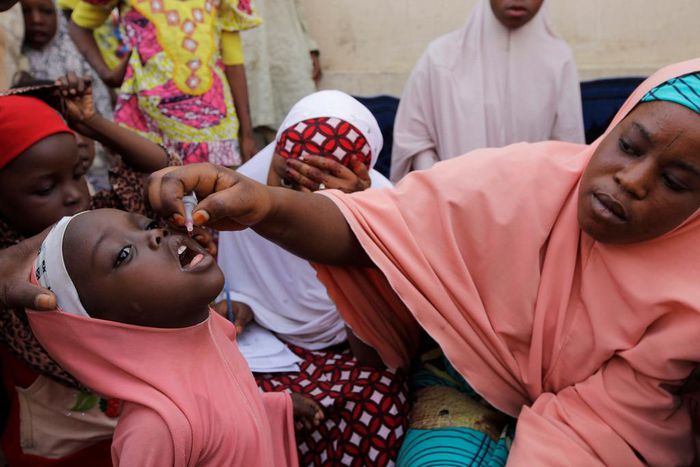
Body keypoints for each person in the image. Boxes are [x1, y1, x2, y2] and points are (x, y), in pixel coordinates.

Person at [136, 58, 700, 465]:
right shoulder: (520, 181)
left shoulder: (690, 289)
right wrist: (261, 203)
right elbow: (375, 231)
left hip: (597, 427)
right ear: (613, 127)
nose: (632, 180)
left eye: (676, 181)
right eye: (628, 146)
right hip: (465, 375)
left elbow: (613, 417)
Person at [24, 208, 323, 466]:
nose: (156, 235)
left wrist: (272, 407)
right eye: (123, 255)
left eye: (148, 225)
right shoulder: (156, 428)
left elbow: (222, 407)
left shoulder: (212, 333)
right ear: (100, 329)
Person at [0, 75, 193, 465]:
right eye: (44, 189)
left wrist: (92, 123)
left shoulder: (97, 225)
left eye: (77, 173)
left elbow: (164, 172)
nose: (73, 194)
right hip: (58, 432)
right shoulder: (8, 274)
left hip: (139, 427)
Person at [214, 91, 408, 465]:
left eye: (316, 189)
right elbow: (235, 286)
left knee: (379, 400)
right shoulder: (242, 192)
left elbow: (381, 350)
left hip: (353, 354)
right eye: (286, 179)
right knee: (237, 403)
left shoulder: (388, 209)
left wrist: (354, 222)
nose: (294, 205)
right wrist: (242, 304)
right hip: (267, 349)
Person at [390, 0, 585, 182]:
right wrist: (442, 187)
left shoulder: (559, 60)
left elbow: (568, 149)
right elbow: (414, 140)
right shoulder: (441, 58)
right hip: (449, 205)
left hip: (531, 208)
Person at [68, 0, 261, 165]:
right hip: (146, 126)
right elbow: (79, 26)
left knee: (213, 200)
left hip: (214, 129)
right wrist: (106, 74)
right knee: (154, 199)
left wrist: (247, 134)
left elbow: (233, 62)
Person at [20, 0, 115, 189]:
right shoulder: (14, 64)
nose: (36, 20)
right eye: (25, 12)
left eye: (46, 12)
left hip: (98, 161)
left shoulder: (82, 57)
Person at [241, 0, 320, 146]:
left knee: (299, 121)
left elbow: (297, 6)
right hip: (244, 49)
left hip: (287, 47)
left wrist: (310, 46)